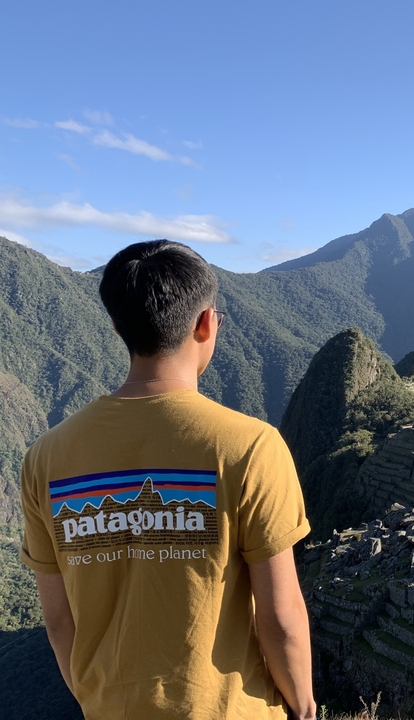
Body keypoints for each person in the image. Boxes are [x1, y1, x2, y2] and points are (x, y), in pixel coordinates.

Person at [19, 240, 317, 720]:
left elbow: (58, 620)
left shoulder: (46, 458)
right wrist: (304, 708)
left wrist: (97, 699)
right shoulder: (250, 447)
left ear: (117, 326)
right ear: (206, 323)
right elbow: (280, 618)